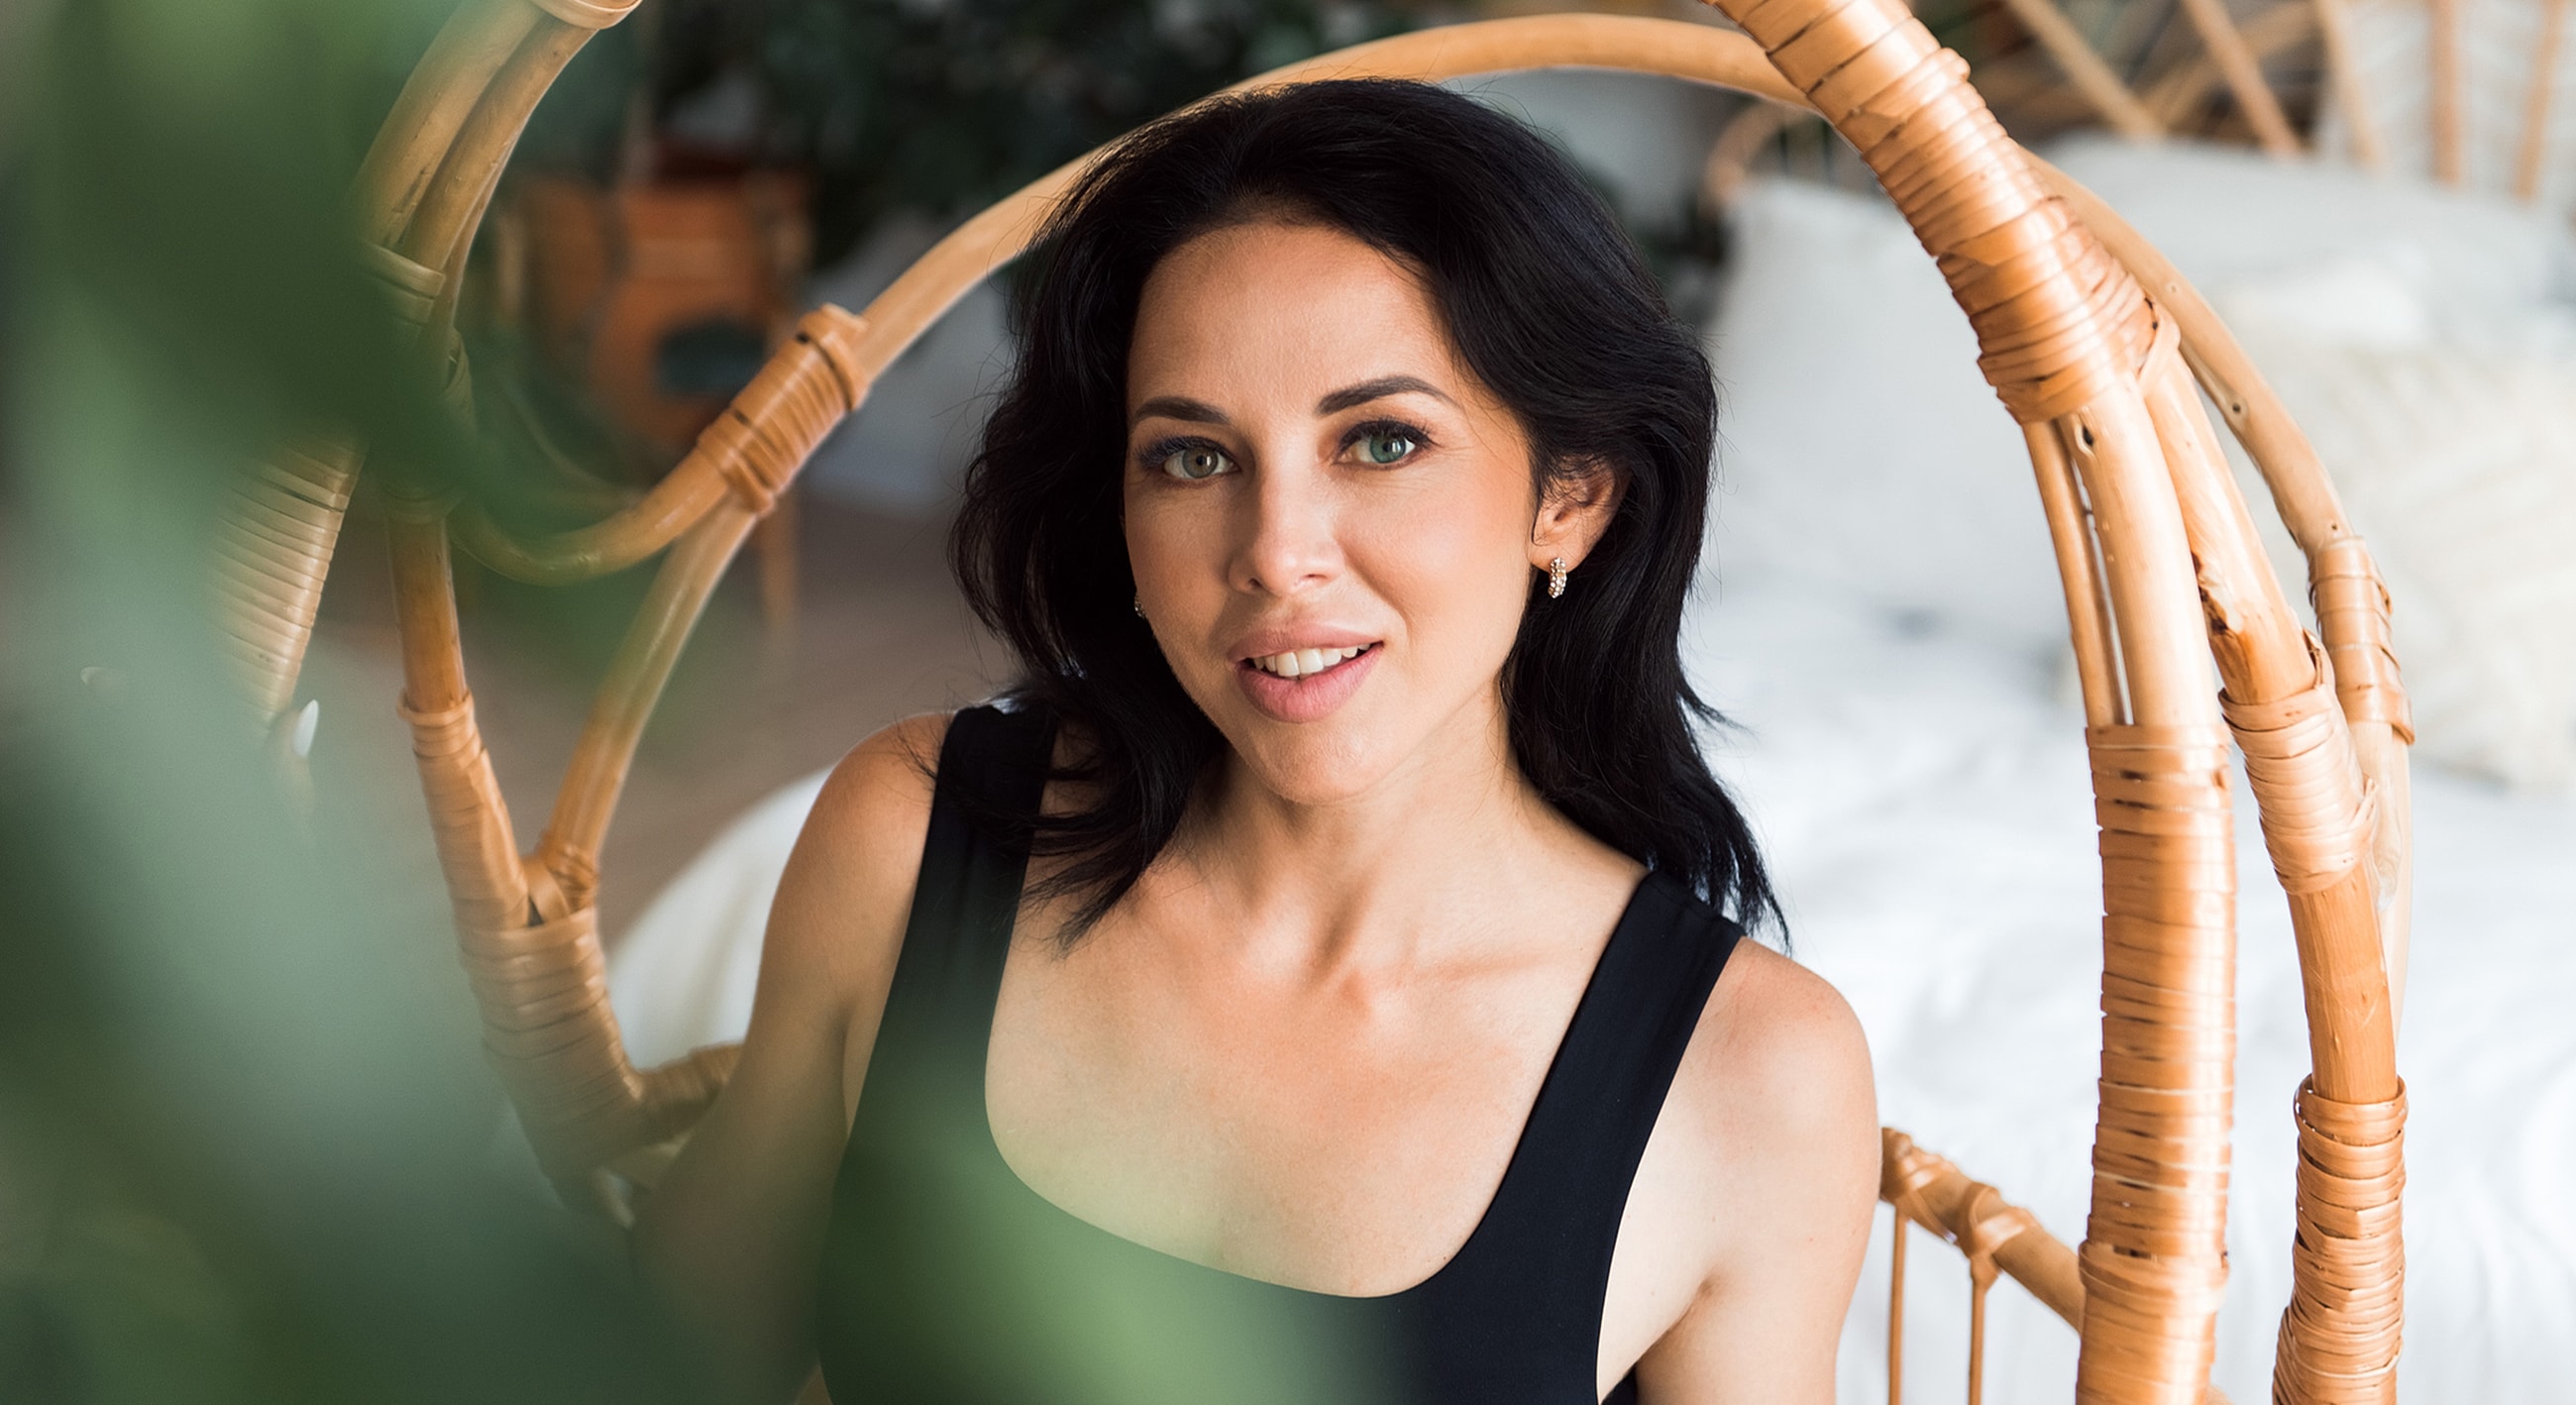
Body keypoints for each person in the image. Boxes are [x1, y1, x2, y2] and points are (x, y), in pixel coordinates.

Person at [636, 77, 1877, 1405]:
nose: (1277, 556)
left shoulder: (1755, 1079)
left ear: (1568, 495)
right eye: (1190, 457)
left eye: (1381, 440)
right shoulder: (910, 831)